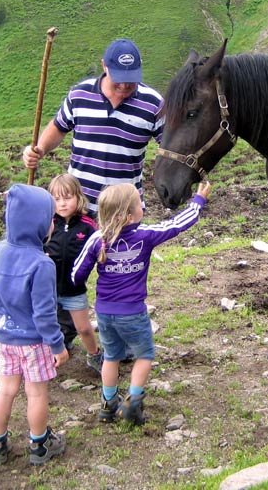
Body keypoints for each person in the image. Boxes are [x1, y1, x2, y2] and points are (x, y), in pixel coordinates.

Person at [72, 181, 212, 425]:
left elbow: (77, 273)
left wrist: (77, 288)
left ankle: (108, 404)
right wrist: (198, 201)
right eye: (139, 203)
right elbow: (177, 225)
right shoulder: (144, 235)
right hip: (133, 312)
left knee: (111, 357)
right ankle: (132, 404)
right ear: (129, 216)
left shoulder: (97, 240)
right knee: (144, 355)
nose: (143, 206)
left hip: (104, 311)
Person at [22, 38, 163, 217]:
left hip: (123, 212)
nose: (125, 85)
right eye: (118, 79)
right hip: (79, 208)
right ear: (104, 66)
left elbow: (171, 145)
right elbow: (59, 126)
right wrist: (39, 150)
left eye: (131, 79)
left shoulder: (154, 103)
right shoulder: (80, 94)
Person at [0, 184, 69, 467]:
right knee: (36, 392)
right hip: (34, 342)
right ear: (39, 224)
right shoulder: (41, 264)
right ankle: (40, 443)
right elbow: (44, 315)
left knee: (4, 389)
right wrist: (57, 345)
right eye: (50, 218)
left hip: (4, 336)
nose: (53, 222)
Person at [45, 173, 103, 373]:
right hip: (47, 289)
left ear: (78, 196)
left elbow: (100, 247)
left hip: (74, 289)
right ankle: (50, 354)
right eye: (56, 198)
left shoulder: (88, 224)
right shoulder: (47, 222)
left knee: (84, 329)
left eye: (67, 197)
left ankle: (95, 355)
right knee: (46, 326)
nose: (62, 204)